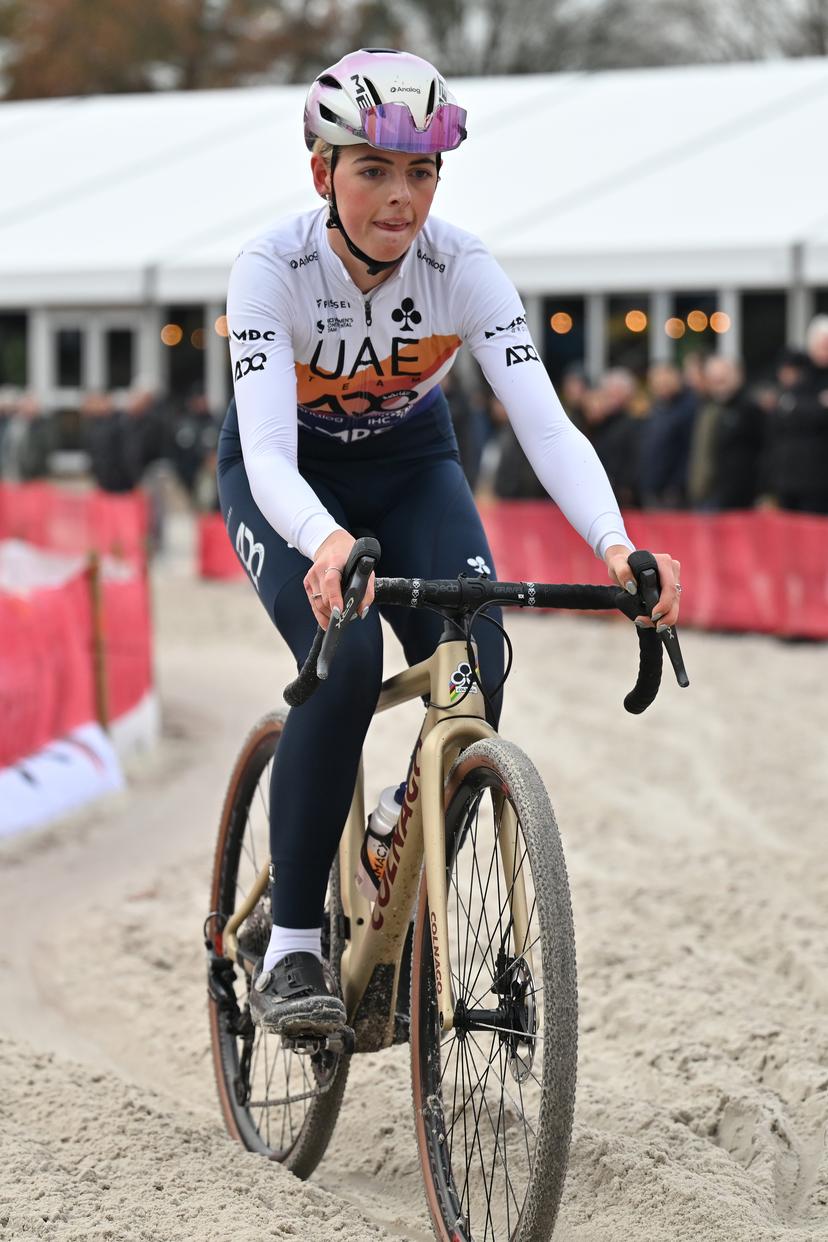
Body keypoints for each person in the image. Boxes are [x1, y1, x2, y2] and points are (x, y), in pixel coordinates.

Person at [216, 48, 681, 1036]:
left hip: (410, 463)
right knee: (342, 669)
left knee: (477, 659)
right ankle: (295, 941)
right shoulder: (271, 270)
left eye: (421, 171)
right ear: (321, 175)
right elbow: (265, 452)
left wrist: (616, 547)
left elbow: (546, 424)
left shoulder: (461, 268)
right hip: (289, 484)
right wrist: (329, 543)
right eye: (373, 169)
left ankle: (397, 827)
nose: (400, 197)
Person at [763, 316, 828, 514]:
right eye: (821, 344)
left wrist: (799, 408)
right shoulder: (803, 377)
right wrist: (817, 405)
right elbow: (783, 413)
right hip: (788, 479)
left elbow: (793, 409)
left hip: (820, 482)